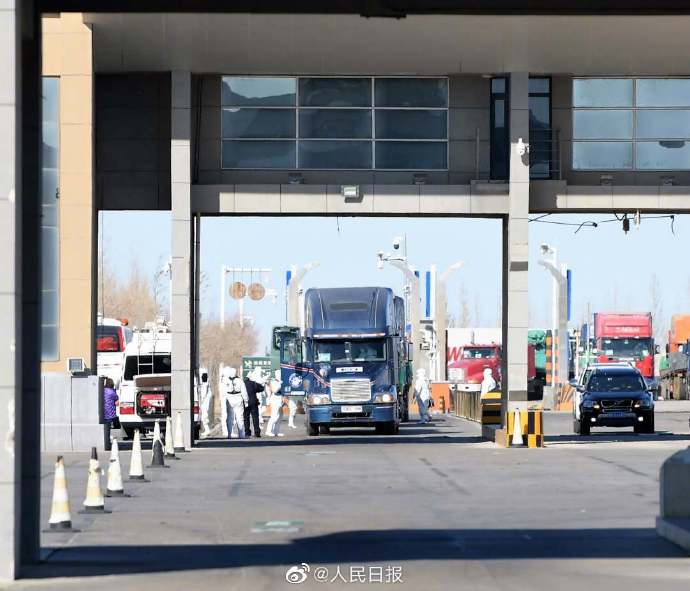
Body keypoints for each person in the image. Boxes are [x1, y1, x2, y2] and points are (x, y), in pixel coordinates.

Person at [223, 367, 248, 438]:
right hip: (238, 398)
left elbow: (223, 391)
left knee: (229, 417)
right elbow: (244, 392)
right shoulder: (240, 380)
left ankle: (229, 434)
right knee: (239, 417)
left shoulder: (225, 381)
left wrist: (225, 399)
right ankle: (241, 434)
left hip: (229, 398)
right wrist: (246, 401)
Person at [243, 367, 265, 438]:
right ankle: (257, 432)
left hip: (245, 403)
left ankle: (247, 432)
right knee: (255, 418)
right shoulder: (254, 383)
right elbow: (261, 388)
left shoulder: (243, 383)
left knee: (246, 418)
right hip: (253, 403)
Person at [265, 370, 285, 437]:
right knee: (274, 416)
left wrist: (283, 399)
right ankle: (268, 431)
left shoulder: (281, 381)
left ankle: (276, 431)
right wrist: (280, 384)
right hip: (275, 399)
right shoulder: (273, 381)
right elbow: (274, 390)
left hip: (280, 398)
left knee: (280, 416)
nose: (280, 375)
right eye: (278, 374)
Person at [102, 377, 119, 450]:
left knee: (105, 428)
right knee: (108, 428)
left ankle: (106, 441)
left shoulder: (103, 391)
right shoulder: (112, 392)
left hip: (103, 412)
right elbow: (117, 402)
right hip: (110, 413)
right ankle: (108, 442)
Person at [199, 370, 213, 437]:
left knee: (204, 416)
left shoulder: (205, 385)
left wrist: (200, 401)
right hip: (206, 403)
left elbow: (203, 394)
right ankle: (207, 429)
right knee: (204, 416)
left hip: (204, 403)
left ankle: (207, 430)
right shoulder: (207, 384)